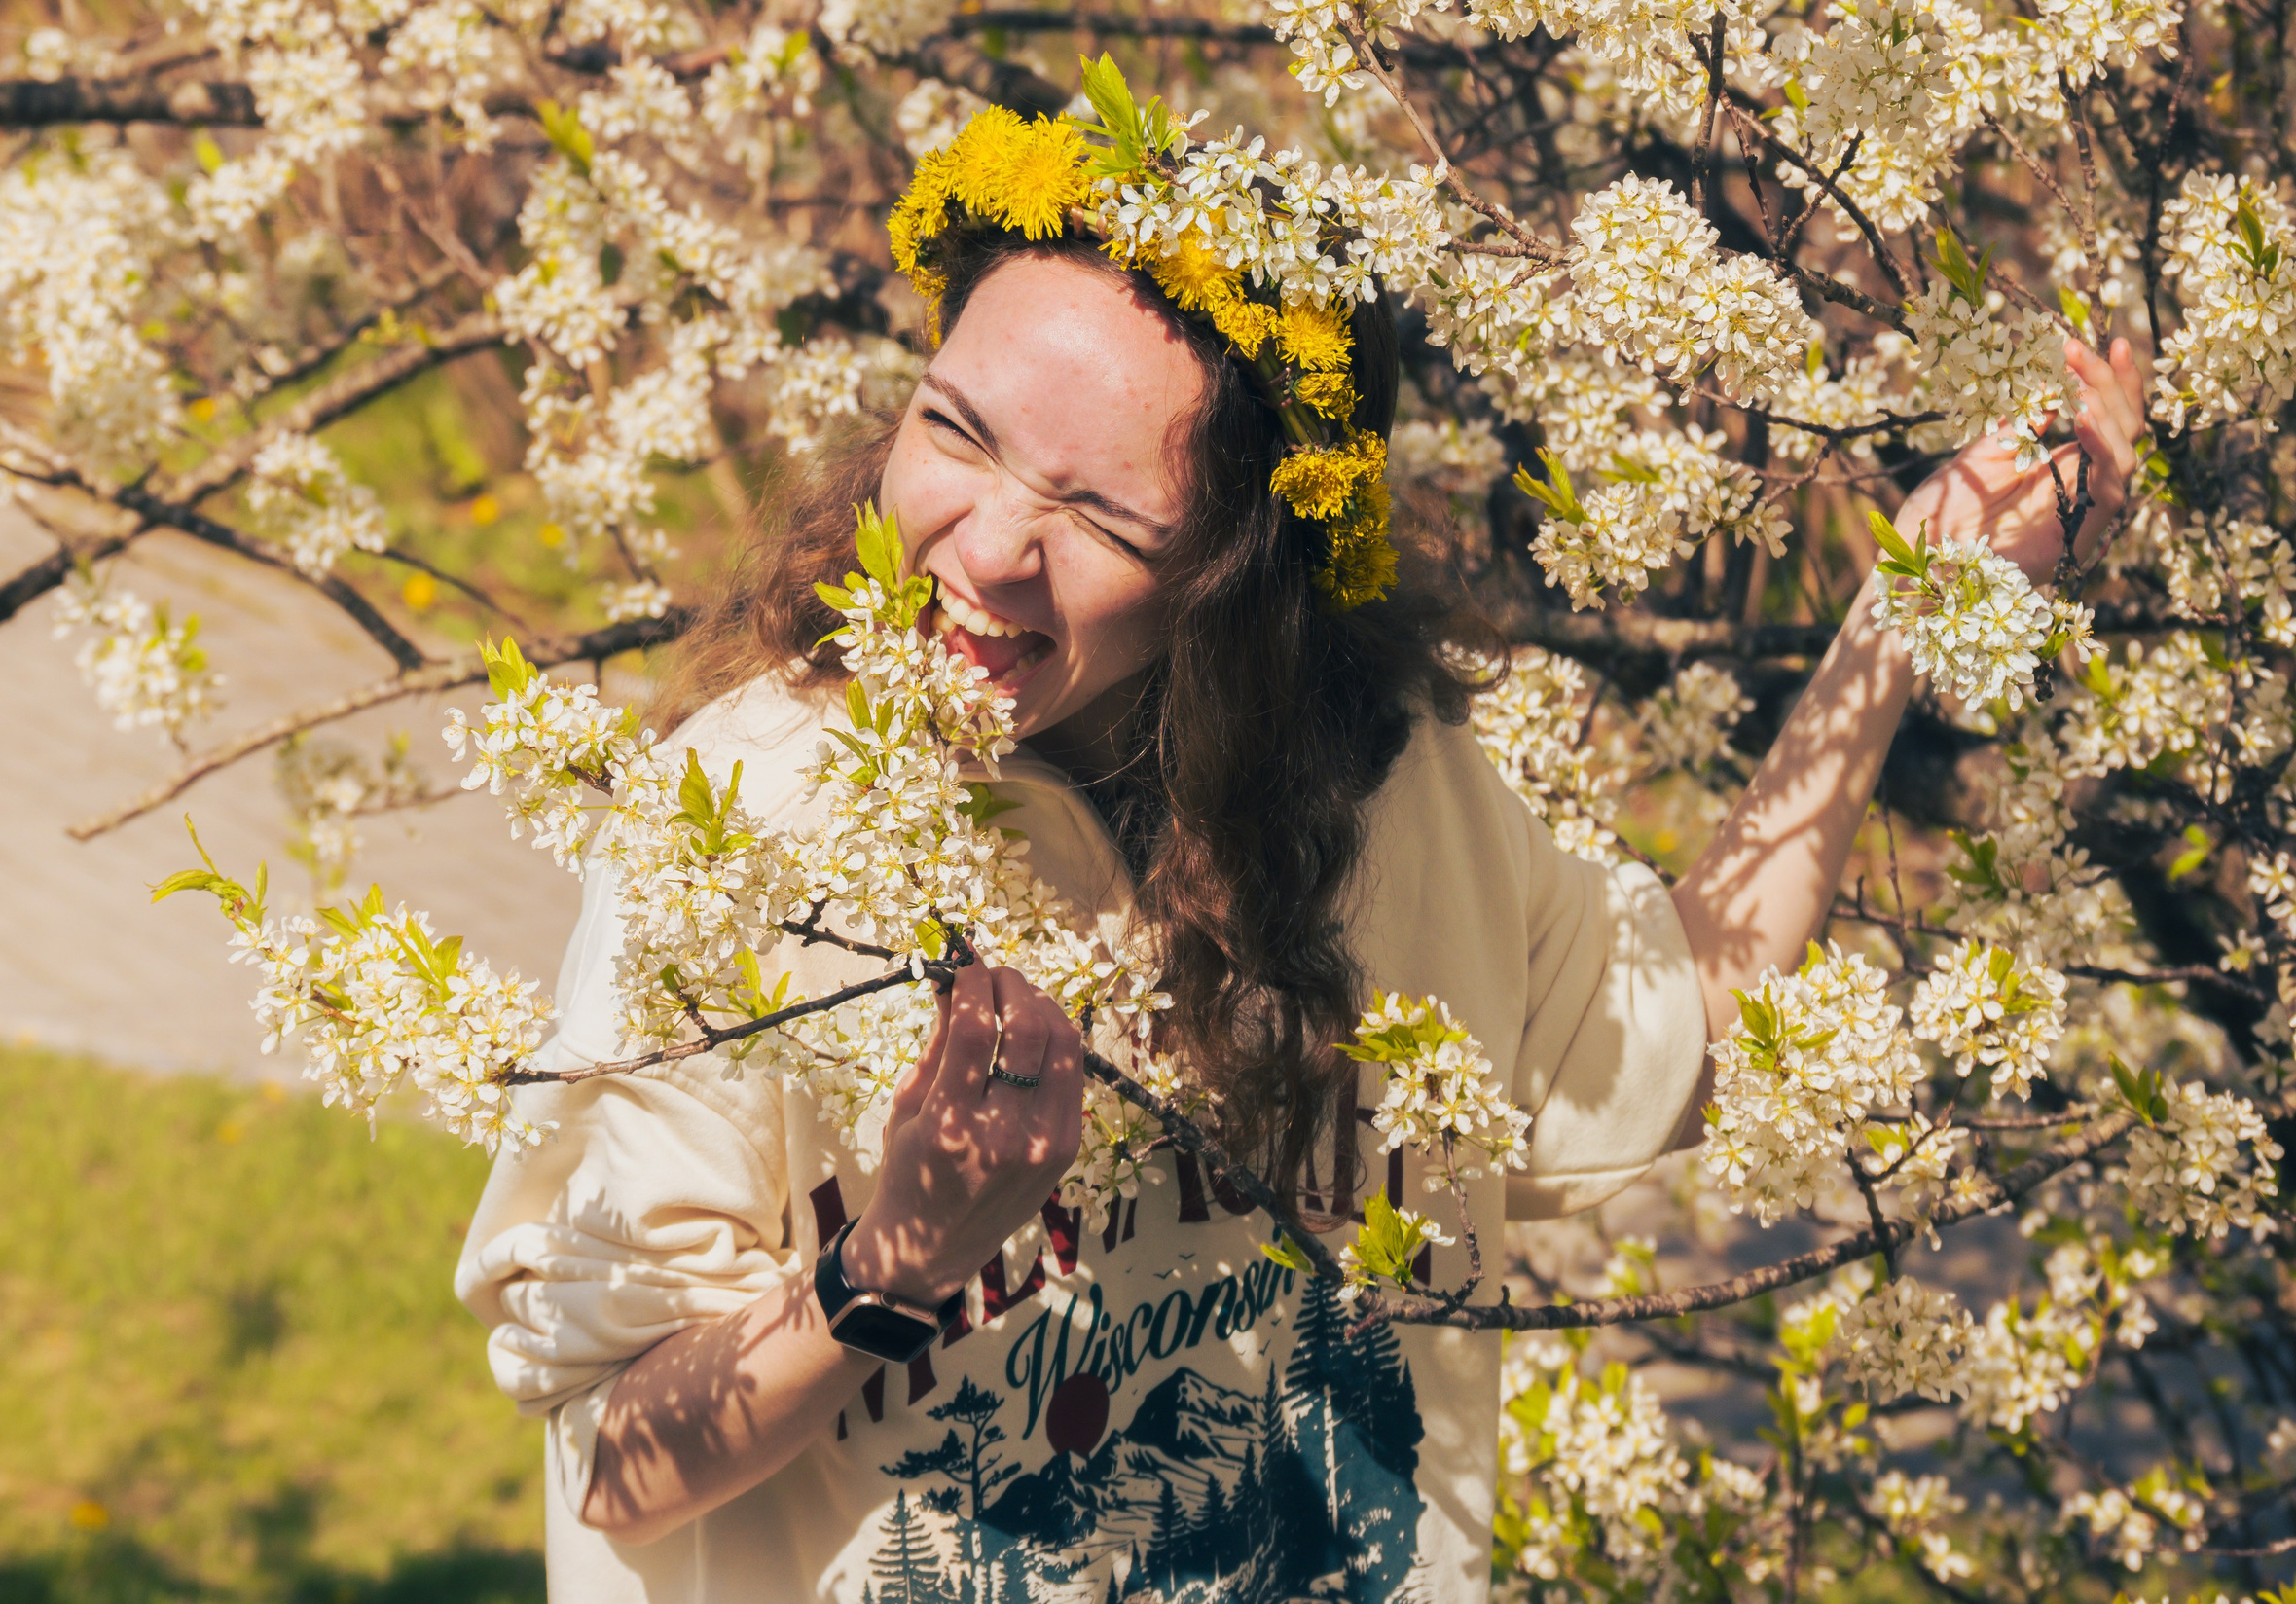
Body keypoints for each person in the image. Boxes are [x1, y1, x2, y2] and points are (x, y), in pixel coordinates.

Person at [456, 108, 2147, 1603]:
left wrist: (1899, 625)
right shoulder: (735, 828)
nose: (981, 547)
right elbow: (625, 1455)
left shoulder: (1380, 790)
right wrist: (893, 1256)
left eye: (1102, 516)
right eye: (952, 430)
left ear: (1237, 572)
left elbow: (1672, 1030)